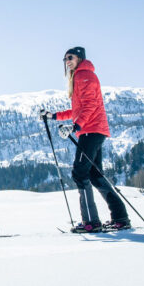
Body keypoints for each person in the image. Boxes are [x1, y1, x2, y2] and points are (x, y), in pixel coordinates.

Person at [41, 47, 130, 233]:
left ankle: (91, 221)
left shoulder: (84, 76)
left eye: (70, 57)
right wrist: (54, 116)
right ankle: (120, 218)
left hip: (90, 130)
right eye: (65, 58)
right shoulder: (80, 76)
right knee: (95, 175)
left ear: (80, 57)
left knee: (80, 173)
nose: (67, 61)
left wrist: (77, 126)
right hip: (93, 130)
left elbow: (90, 105)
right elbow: (77, 110)